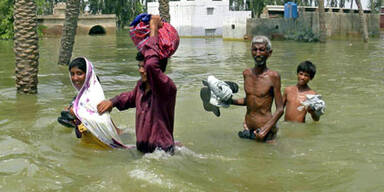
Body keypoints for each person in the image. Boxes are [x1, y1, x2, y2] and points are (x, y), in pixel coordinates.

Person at [97, 15, 177, 154]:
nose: (141, 70)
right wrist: (112, 102)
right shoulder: (141, 86)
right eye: (139, 66)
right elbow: (128, 98)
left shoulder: (166, 87)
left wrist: (153, 29)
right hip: (144, 152)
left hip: (161, 153)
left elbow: (152, 64)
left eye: (144, 67)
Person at [58, 57, 129, 149]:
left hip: (102, 146)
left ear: (88, 75)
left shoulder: (95, 97)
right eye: (72, 74)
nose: (75, 78)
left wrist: (76, 113)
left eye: (79, 73)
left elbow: (102, 122)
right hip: (87, 145)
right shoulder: (80, 98)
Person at [230, 35, 284, 142]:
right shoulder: (246, 74)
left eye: (261, 50)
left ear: (269, 53)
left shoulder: (273, 77)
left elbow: (280, 109)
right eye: (254, 50)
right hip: (248, 129)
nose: (258, 53)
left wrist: (265, 129)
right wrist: (229, 100)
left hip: (265, 132)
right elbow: (250, 100)